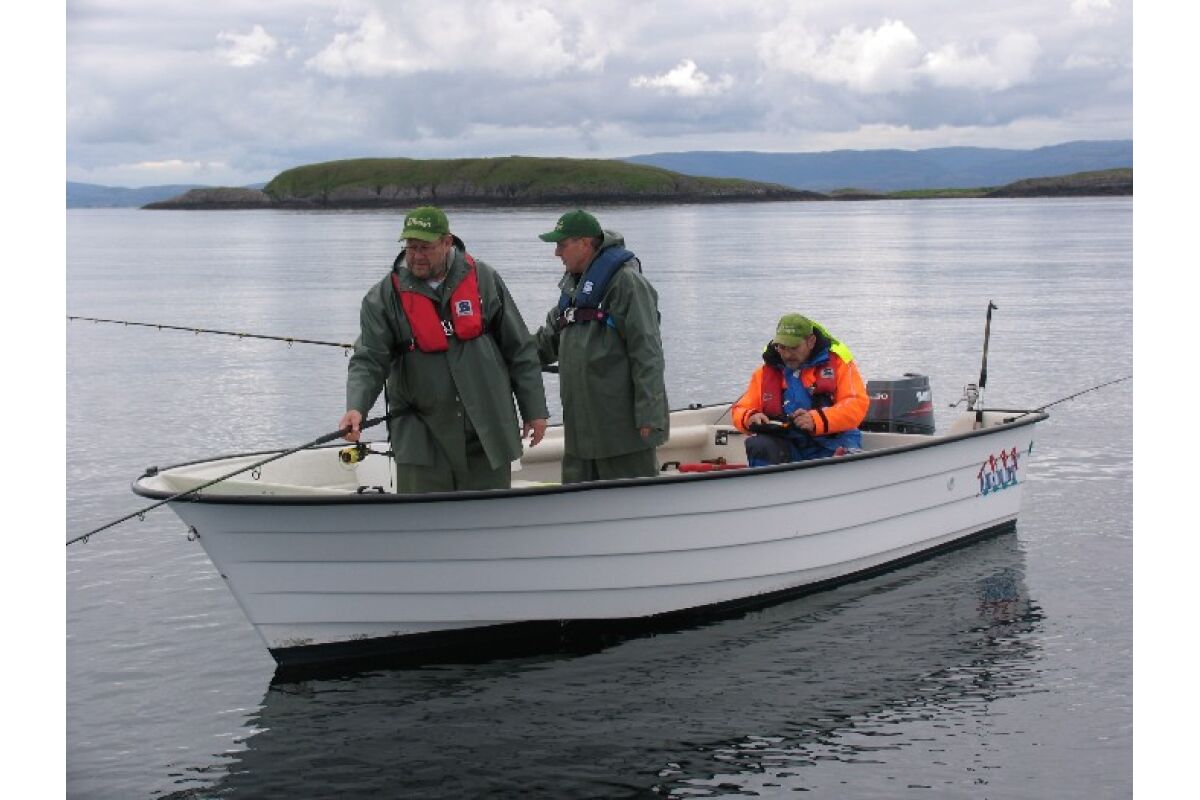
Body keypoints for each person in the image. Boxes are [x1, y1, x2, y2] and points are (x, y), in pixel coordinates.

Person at [339, 206, 549, 493]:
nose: (416, 255)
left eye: (425, 247)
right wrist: (356, 406)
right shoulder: (383, 297)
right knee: (423, 515)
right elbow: (369, 359)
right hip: (422, 436)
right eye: (410, 247)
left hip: (486, 430)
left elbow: (520, 349)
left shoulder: (485, 279)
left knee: (489, 513)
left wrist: (534, 409)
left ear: (447, 242)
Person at [534, 209, 669, 483]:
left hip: (622, 437)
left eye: (562, 244)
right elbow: (543, 344)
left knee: (630, 504)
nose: (557, 253)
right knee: (576, 505)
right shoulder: (572, 291)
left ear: (585, 243)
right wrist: (498, 355)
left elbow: (648, 353)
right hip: (580, 440)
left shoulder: (627, 284)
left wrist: (649, 416)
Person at [732, 313, 868, 466]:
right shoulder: (766, 372)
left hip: (833, 443)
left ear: (811, 342)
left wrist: (816, 420)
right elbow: (740, 409)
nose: (787, 354)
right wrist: (750, 417)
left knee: (846, 455)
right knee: (759, 445)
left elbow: (856, 405)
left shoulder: (838, 364)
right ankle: (768, 482)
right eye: (782, 347)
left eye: (794, 347)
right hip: (789, 444)